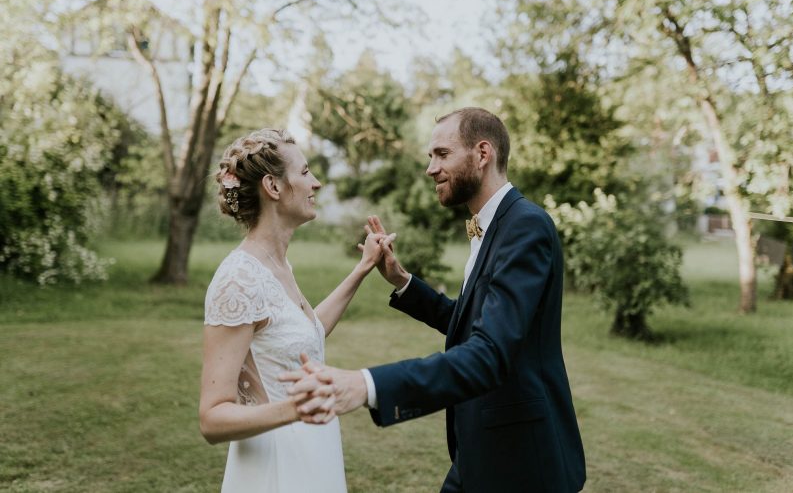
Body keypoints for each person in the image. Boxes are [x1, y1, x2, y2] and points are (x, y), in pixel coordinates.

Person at [284, 108, 586, 492]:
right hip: (482, 450)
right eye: (431, 157)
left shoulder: (524, 226)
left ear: (482, 153)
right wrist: (403, 281)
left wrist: (368, 385)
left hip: (522, 460)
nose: (430, 168)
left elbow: (489, 352)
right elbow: (473, 321)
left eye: (442, 154)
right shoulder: (491, 226)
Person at [198, 128, 390, 493]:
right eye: (304, 173)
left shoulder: (278, 265)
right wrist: (296, 409)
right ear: (273, 186)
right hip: (276, 465)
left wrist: (363, 268)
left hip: (314, 449)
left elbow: (307, 332)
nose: (315, 183)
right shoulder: (238, 279)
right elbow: (212, 417)